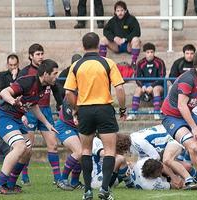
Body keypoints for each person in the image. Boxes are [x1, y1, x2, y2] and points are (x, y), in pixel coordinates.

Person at [65, 32, 126, 200]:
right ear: (99, 46)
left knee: (85, 150)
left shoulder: (76, 65)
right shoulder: (108, 63)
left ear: (83, 46)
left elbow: (69, 92)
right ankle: (105, 190)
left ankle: (87, 192)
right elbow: (120, 89)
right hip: (104, 109)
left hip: (85, 110)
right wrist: (122, 109)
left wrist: (76, 109)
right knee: (109, 150)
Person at [0, 59, 59, 194]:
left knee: (27, 151)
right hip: (4, 117)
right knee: (20, 146)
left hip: (16, 119)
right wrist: (13, 102)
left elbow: (34, 106)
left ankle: (10, 184)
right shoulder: (28, 81)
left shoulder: (42, 87)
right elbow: (4, 92)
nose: (56, 77)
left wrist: (47, 124)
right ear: (46, 74)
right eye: (55, 73)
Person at [161, 49, 197, 192]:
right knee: (193, 147)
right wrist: (194, 127)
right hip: (172, 116)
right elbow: (181, 106)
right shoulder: (188, 79)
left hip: (186, 114)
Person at [18, 44, 64, 189]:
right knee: (27, 147)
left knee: (53, 144)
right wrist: (21, 112)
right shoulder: (25, 72)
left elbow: (56, 89)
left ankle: (58, 179)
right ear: (31, 56)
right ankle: (24, 176)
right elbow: (18, 91)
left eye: (42, 53)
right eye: (37, 54)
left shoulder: (49, 71)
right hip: (30, 111)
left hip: (45, 111)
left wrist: (59, 104)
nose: (41, 56)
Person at [130, 125, 197, 190]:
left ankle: (191, 179)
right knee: (185, 166)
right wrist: (178, 181)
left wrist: (173, 177)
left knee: (168, 161)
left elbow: (158, 160)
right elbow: (175, 185)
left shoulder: (143, 162)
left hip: (172, 136)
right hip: (167, 135)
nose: (160, 173)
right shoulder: (150, 185)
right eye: (159, 172)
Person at [126, 43, 166, 121]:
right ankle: (133, 113)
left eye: (152, 52)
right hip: (144, 85)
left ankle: (156, 113)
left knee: (156, 89)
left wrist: (152, 86)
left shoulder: (160, 62)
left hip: (157, 85)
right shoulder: (140, 62)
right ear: (145, 53)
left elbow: (162, 77)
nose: (150, 54)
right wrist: (142, 86)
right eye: (148, 52)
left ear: (154, 52)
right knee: (137, 90)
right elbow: (136, 77)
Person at [0, 54, 21, 164]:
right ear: (7, 64)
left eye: (15, 65)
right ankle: (1, 158)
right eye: (11, 65)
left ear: (18, 64)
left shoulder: (23, 75)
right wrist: (14, 79)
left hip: (20, 109)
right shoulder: (2, 76)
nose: (13, 67)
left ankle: (18, 159)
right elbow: (1, 91)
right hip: (6, 108)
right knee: (5, 137)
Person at [99, 0, 141, 67]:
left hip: (128, 45)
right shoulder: (112, 20)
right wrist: (114, 38)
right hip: (116, 46)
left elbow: (137, 32)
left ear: (125, 10)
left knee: (136, 39)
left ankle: (133, 62)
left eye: (122, 10)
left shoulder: (132, 19)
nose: (120, 13)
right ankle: (101, 61)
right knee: (103, 39)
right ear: (115, 12)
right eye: (118, 11)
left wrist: (125, 39)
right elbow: (106, 31)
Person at [54, 98, 83, 190]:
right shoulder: (73, 92)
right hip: (65, 126)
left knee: (83, 154)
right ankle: (62, 180)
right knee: (79, 151)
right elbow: (67, 103)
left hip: (79, 127)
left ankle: (75, 182)